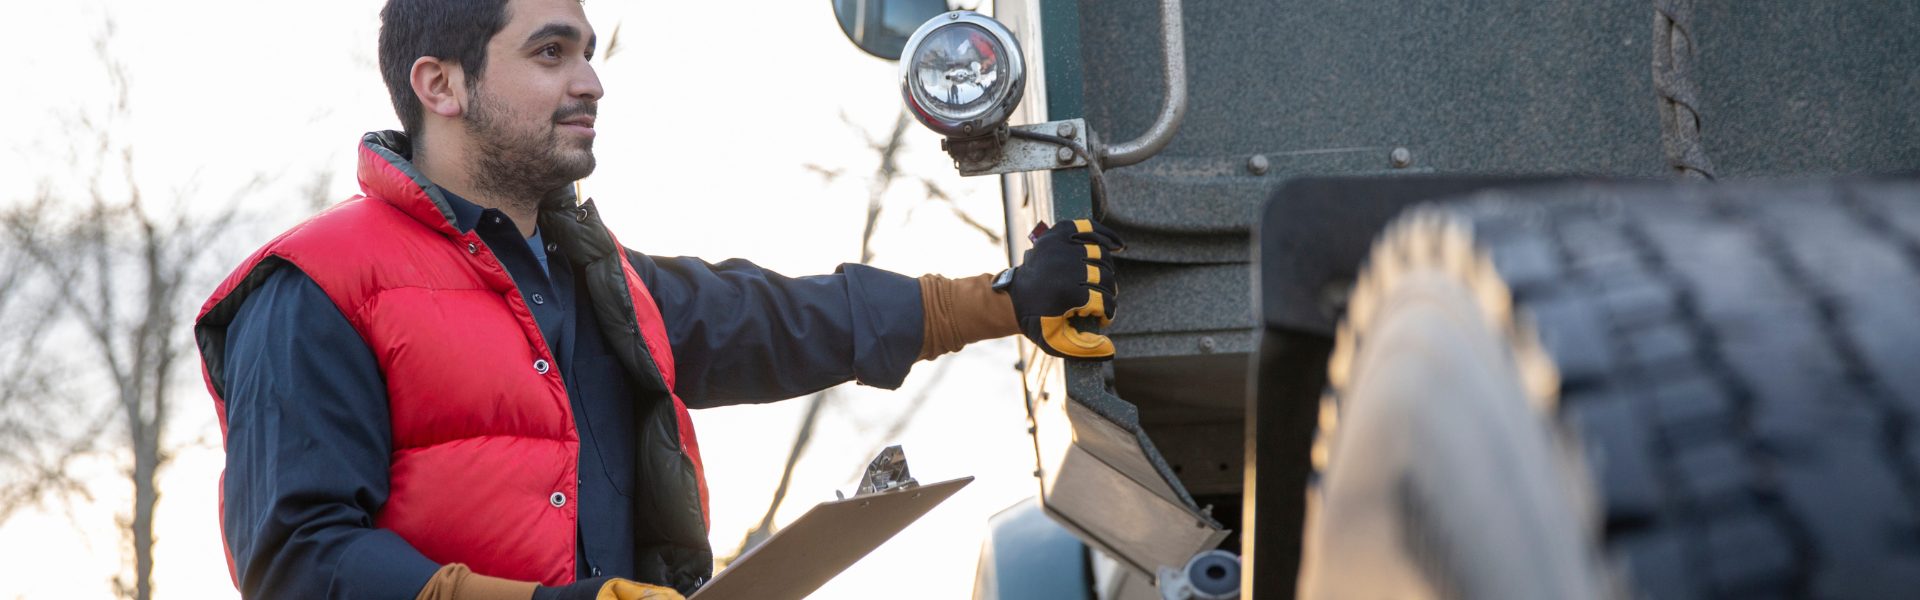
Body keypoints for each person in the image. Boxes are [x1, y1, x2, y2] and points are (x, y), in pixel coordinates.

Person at [190, 0, 1124, 599]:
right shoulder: (315, 287)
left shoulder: (589, 276)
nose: (589, 80)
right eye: (550, 52)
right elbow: (299, 563)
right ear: (440, 84)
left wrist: (996, 303)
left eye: (588, 52)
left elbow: (768, 320)